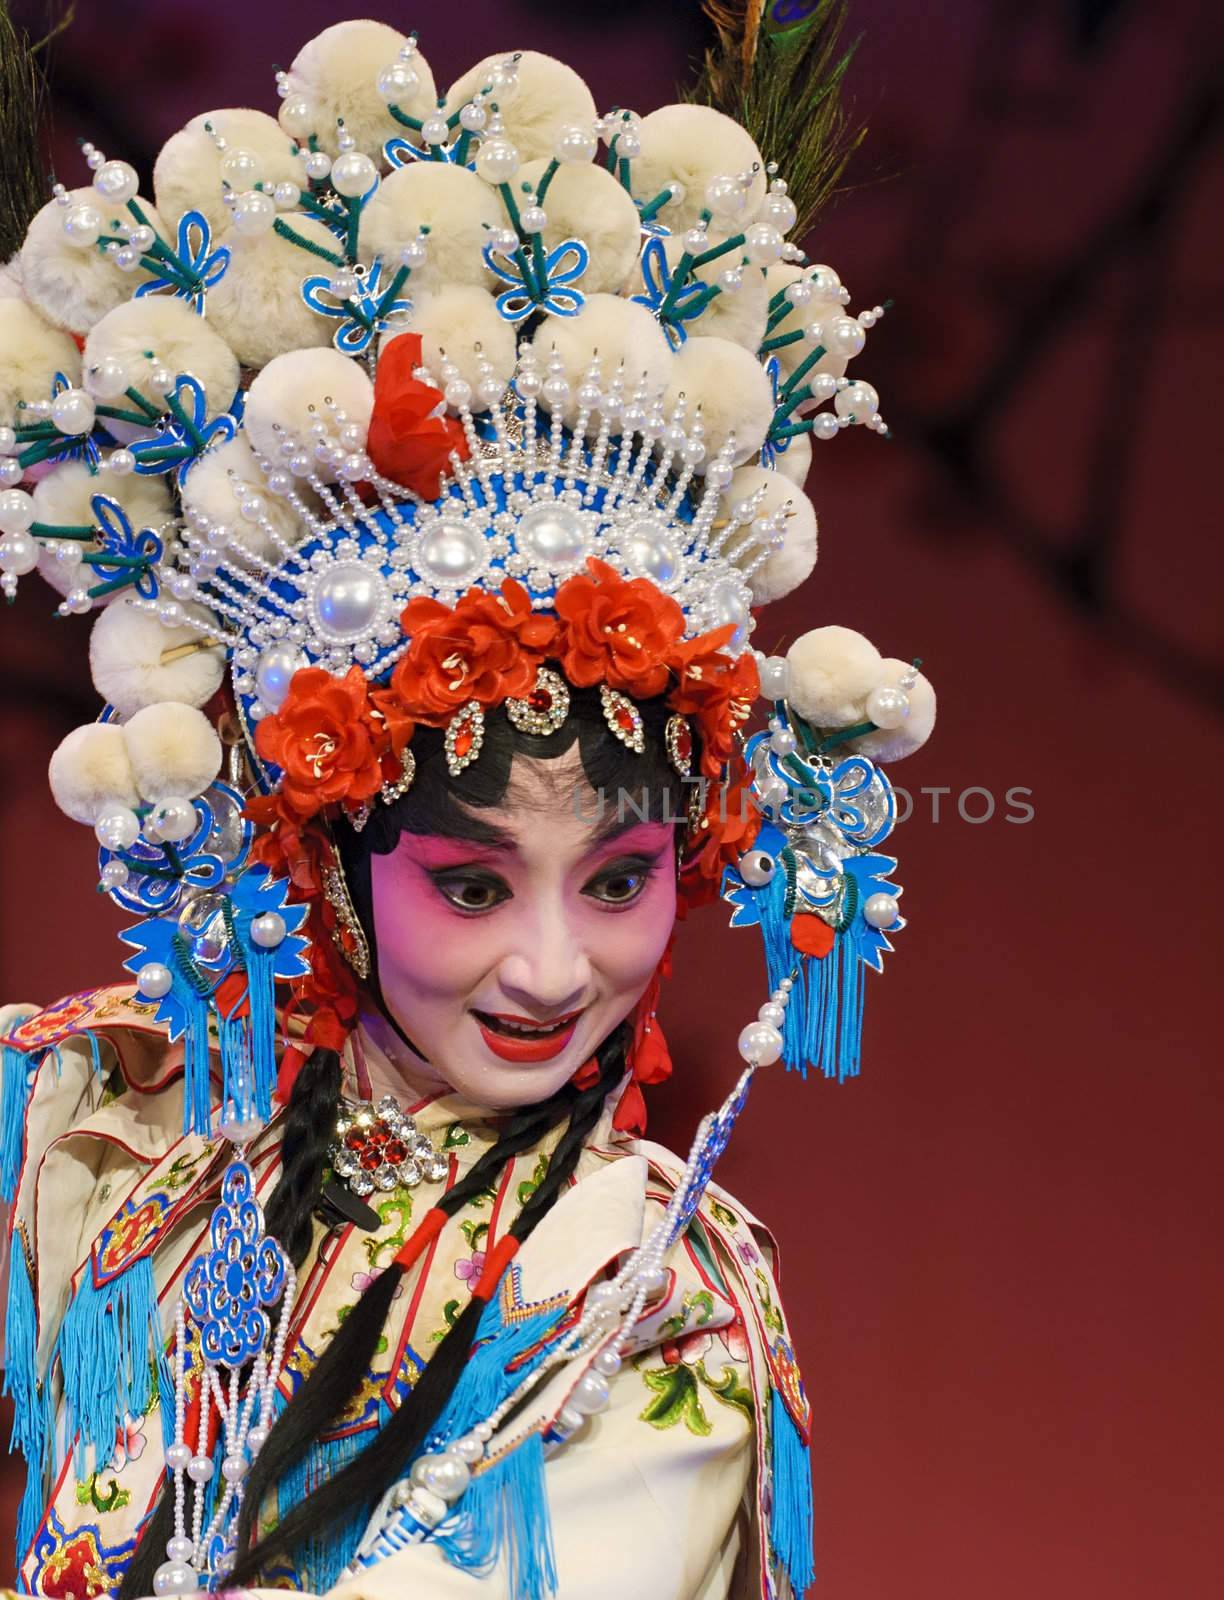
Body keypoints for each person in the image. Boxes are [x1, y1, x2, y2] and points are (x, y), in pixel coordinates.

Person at [0, 12, 937, 1600]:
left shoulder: (647, 1282)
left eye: (622, 880)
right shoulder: (90, 1124)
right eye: (480, 886)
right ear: (333, 860)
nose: (557, 972)